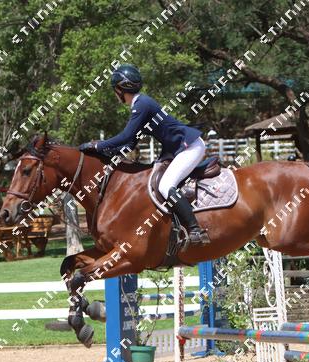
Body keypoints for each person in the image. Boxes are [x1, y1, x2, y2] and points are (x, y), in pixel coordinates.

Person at [78, 64, 210, 245]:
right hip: (177, 149)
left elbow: (126, 136)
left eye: (115, 90)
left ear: (119, 90)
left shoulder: (141, 105)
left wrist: (97, 145)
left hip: (189, 146)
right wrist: (107, 154)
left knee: (165, 186)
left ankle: (195, 230)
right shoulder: (141, 104)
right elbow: (130, 143)